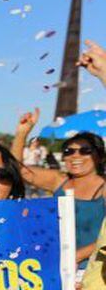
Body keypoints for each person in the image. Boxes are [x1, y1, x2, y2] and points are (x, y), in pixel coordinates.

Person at [12, 109, 106, 269]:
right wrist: (22, 133)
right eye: (69, 151)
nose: (75, 156)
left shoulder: (103, 187)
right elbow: (16, 169)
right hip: (57, 267)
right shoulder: (58, 180)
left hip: (92, 270)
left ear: (100, 156)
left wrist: (77, 256)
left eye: (85, 151)